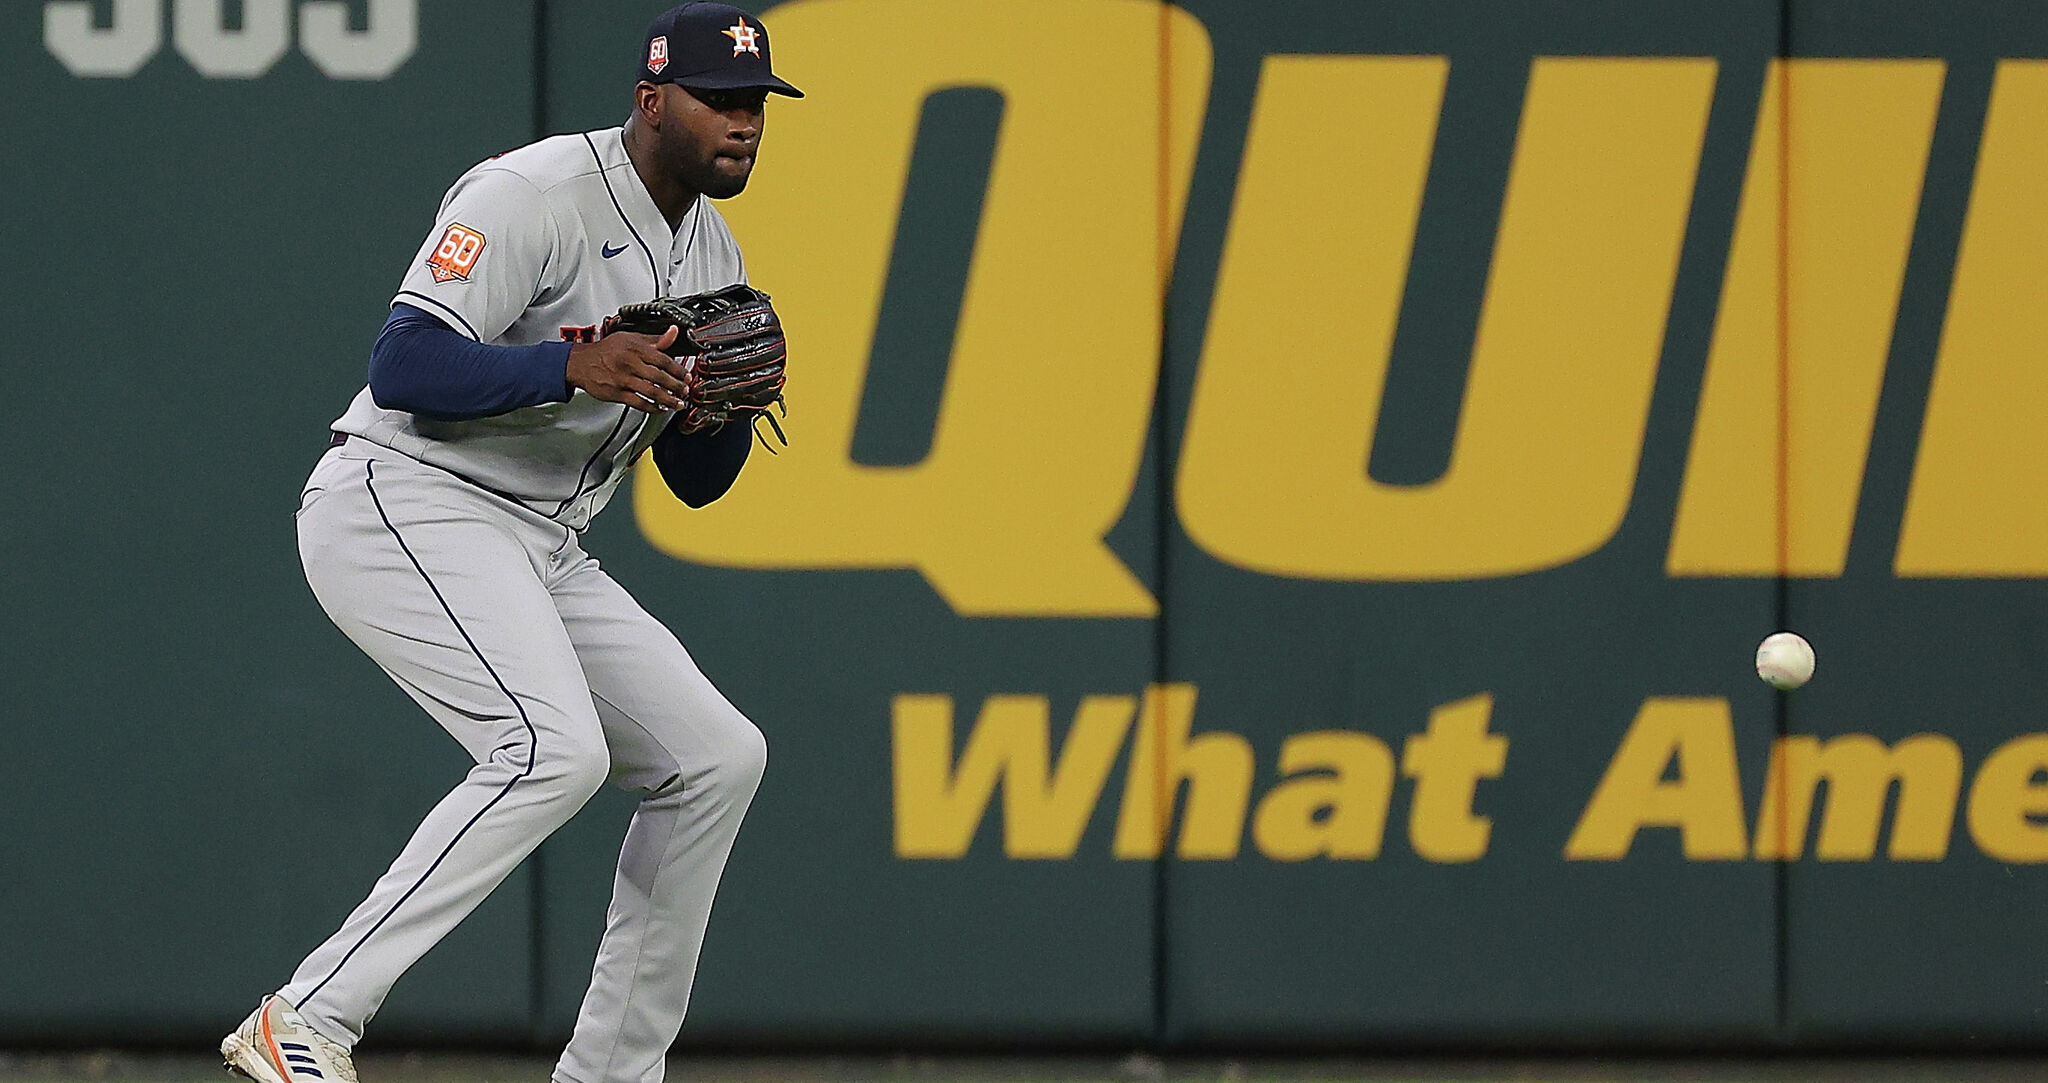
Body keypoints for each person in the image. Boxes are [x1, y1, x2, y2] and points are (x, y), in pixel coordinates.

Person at [219, 6, 800, 1083]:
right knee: (553, 748)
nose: (742, 122)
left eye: (755, 103)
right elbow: (404, 367)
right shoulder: (531, 194)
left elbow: (694, 481)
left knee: (715, 760)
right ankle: (306, 1015)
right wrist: (564, 369)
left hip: (541, 538)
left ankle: (611, 1075)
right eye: (719, 99)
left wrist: (712, 414)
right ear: (649, 100)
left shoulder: (710, 248)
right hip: (405, 497)